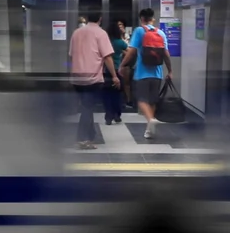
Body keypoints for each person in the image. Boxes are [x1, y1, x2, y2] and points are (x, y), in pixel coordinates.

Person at [67, 13, 117, 149]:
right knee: (88, 107)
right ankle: (83, 139)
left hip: (77, 77)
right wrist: (114, 75)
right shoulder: (101, 33)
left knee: (86, 106)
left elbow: (71, 55)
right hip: (93, 77)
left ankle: (90, 135)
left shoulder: (76, 33)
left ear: (87, 18)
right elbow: (107, 57)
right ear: (100, 18)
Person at [123, 13, 171, 143]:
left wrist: (122, 65)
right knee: (152, 101)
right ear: (152, 19)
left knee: (141, 100)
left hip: (141, 73)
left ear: (141, 19)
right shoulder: (161, 33)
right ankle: (149, 130)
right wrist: (170, 71)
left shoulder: (139, 31)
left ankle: (150, 120)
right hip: (157, 73)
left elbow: (131, 51)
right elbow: (166, 54)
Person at [103, 17, 129, 124]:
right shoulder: (120, 42)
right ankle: (117, 115)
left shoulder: (105, 42)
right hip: (118, 71)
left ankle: (108, 117)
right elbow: (130, 52)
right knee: (117, 95)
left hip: (105, 72)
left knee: (107, 95)